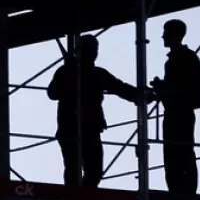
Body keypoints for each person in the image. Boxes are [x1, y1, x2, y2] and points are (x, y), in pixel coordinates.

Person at [47, 35, 144, 189]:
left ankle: (82, 196)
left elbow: (119, 87)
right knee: (74, 168)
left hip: (89, 127)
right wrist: (69, 75)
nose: (94, 53)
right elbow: (52, 94)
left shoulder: (97, 73)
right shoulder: (67, 71)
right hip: (70, 127)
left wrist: (139, 96)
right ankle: (75, 198)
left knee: (94, 169)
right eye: (91, 49)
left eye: (95, 49)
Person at [151, 19, 200, 195]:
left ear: (175, 35)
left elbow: (180, 87)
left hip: (179, 112)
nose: (163, 36)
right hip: (177, 112)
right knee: (177, 152)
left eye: (166, 32)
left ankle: (182, 191)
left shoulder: (182, 59)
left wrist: (162, 88)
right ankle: (180, 190)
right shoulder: (181, 58)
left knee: (179, 152)